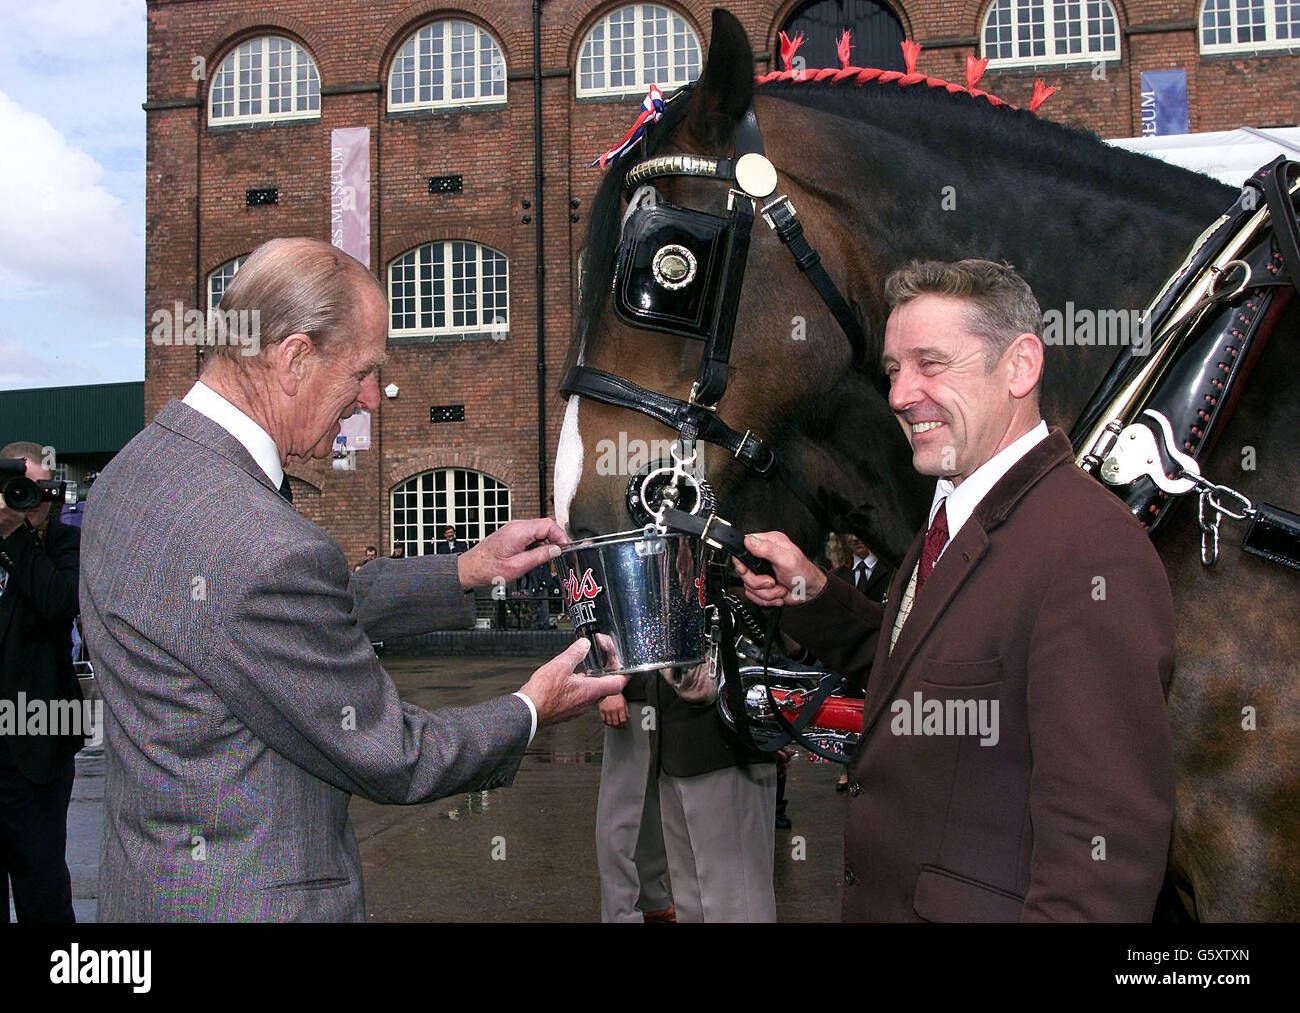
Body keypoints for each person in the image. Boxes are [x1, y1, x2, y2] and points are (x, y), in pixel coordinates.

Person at [79, 237, 624, 922]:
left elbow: (263, 620)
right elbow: (395, 755)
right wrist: (530, 707)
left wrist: (466, 568)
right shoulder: (261, 544)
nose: (372, 397)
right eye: (362, 371)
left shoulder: (130, 474)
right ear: (294, 357)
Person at [735, 259, 1176, 922]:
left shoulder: (1091, 549)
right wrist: (814, 593)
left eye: (930, 363)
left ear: (1020, 365)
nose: (900, 395)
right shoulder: (953, 515)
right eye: (892, 370)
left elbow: (1101, 863)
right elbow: (918, 668)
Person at [0, 442, 86, 922]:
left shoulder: (65, 544)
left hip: (38, 741)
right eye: (17, 491)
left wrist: (15, 537)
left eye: (37, 492)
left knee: (42, 881)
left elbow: (58, 604)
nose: (27, 501)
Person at [594, 674, 674, 922]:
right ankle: (621, 913)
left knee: (655, 804)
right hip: (630, 693)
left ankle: (652, 899)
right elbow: (588, 634)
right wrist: (607, 687)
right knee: (620, 812)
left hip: (670, 693)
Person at [826, 532, 891, 792]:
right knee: (849, 719)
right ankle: (848, 768)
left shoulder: (892, 572)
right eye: (849, 534)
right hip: (848, 664)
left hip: (882, 660)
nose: (856, 538)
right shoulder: (837, 576)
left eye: (859, 532)